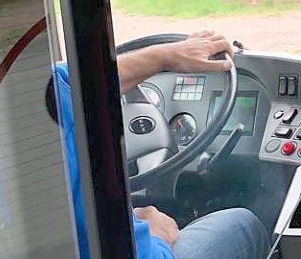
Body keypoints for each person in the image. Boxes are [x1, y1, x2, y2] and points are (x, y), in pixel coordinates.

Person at [48, 31, 269, 259]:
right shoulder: (66, 159)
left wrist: (164, 57)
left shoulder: (30, 106)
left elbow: (65, 87)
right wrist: (156, 236)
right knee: (243, 225)